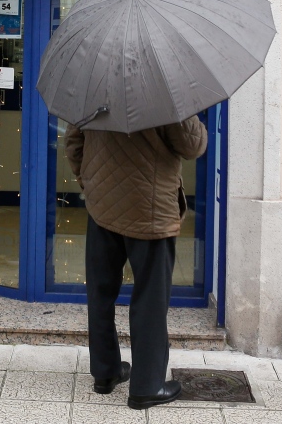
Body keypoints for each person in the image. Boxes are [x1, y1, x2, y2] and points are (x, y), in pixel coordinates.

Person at [66, 116, 208, 411]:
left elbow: (73, 142)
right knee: (150, 298)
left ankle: (105, 373)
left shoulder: (95, 81)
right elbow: (193, 145)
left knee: (100, 292)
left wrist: (89, 184)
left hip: (102, 206)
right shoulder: (164, 90)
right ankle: (146, 387)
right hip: (151, 210)